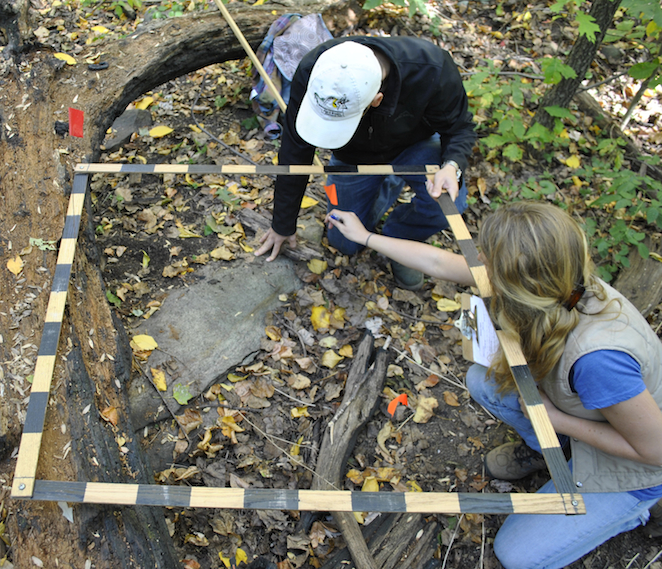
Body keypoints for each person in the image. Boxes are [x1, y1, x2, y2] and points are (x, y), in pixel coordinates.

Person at [326, 201, 662, 569]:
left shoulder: (599, 360)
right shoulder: (556, 277)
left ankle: (632, 511)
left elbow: (655, 451)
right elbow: (439, 263)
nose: (479, 258)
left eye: (488, 256)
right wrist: (367, 236)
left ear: (520, 279)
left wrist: (558, 422)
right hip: (588, 417)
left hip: (632, 466)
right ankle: (549, 450)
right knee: (482, 380)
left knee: (516, 555)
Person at [253, 36, 477, 291]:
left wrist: (451, 165)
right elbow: (295, 152)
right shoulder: (317, 69)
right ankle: (386, 187)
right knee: (343, 242)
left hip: (415, 146)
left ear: (376, 100)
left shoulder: (431, 67)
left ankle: (401, 241)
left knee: (450, 205)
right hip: (353, 158)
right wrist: (282, 225)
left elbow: (460, 128)